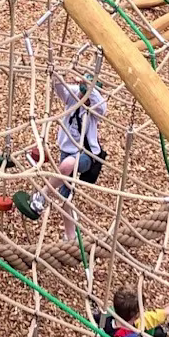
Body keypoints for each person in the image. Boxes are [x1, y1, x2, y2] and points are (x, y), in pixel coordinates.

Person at [48, 67, 105, 243]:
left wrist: (90, 88)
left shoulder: (94, 109)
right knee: (66, 196)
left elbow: (101, 105)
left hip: (87, 154)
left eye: (87, 96)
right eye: (83, 95)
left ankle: (41, 196)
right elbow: (58, 88)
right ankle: (70, 236)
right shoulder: (73, 97)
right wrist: (57, 73)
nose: (83, 99)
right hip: (67, 151)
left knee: (65, 167)